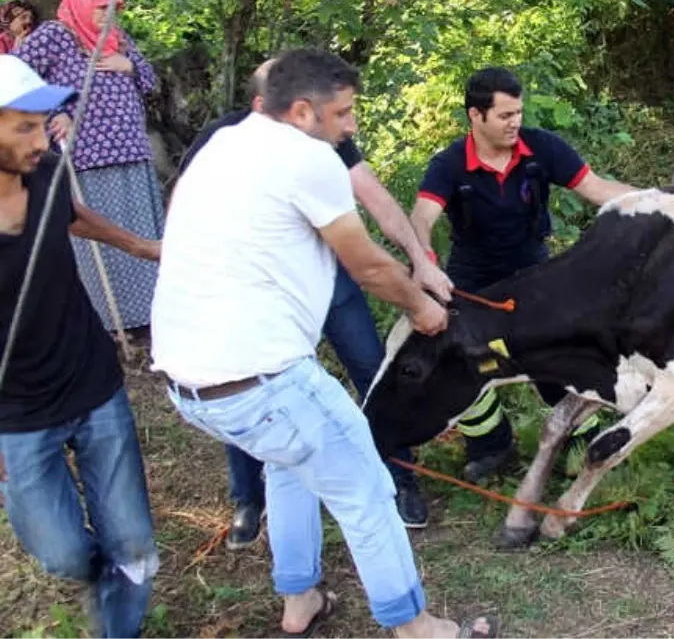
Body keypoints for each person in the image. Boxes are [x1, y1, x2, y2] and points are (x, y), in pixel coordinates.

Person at [151, 48, 497, 639]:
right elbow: (364, 265)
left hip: (192, 385)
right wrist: (423, 308)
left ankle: (300, 598)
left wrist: (419, 259)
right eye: (344, 114)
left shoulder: (225, 145)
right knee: (366, 490)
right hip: (264, 380)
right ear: (304, 112)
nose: (352, 125)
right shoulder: (305, 159)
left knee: (291, 464)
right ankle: (417, 626)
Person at [173, 58, 449, 544]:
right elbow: (187, 203)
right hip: (260, 294)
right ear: (267, 106)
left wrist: (419, 259)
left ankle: (400, 476)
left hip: (333, 281)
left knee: (372, 369)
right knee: (248, 387)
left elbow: (375, 198)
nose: (348, 123)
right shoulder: (224, 137)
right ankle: (248, 498)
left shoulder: (327, 138)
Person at [411, 65, 636, 482]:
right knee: (462, 360)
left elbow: (597, 190)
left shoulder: (541, 148)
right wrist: (423, 262)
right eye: (504, 115)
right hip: (475, 278)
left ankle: (579, 435)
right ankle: (491, 443)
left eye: (518, 113)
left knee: (557, 354)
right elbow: (423, 216)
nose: (515, 122)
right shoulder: (448, 165)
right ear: (475, 117)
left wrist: (660, 201)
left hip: (533, 270)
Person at [0, 55, 160, 639]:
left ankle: (121, 626)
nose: (41, 140)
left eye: (43, 124)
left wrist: (145, 248)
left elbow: (73, 214)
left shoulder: (42, 174)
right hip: (14, 416)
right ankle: (101, 578)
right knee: (63, 554)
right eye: (23, 126)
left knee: (133, 541)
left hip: (92, 384)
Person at [15, 0, 163, 336]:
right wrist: (54, 114)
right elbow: (16, 77)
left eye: (116, 8)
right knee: (100, 240)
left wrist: (129, 66)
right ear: (83, 3)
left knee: (140, 233)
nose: (110, 15)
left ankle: (151, 316)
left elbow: (151, 82)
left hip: (130, 151)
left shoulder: (119, 41)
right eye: (103, 8)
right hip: (86, 155)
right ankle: (110, 321)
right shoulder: (56, 35)